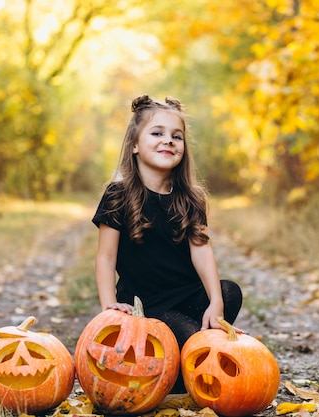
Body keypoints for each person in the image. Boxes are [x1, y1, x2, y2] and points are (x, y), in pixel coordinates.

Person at [91, 94, 243, 393]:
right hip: (145, 306)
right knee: (189, 340)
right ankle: (172, 372)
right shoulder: (118, 195)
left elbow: (202, 249)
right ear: (134, 145)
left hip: (185, 295)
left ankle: (179, 364)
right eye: (157, 133)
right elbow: (105, 258)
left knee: (228, 292)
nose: (168, 141)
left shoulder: (190, 197)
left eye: (177, 136)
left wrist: (215, 301)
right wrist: (108, 307)